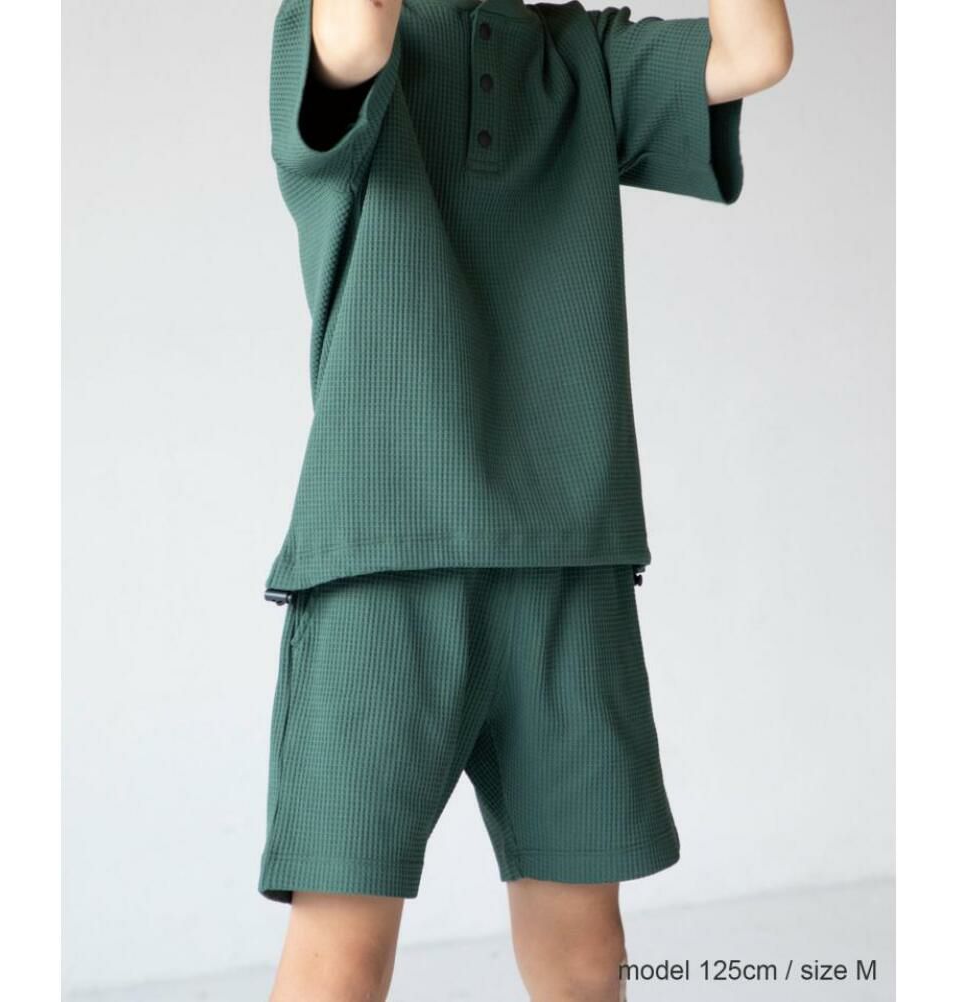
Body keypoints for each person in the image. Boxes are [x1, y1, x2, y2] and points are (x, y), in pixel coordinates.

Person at [257, 1, 792, 999]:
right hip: (383, 554)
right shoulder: (343, 31)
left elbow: (756, 52)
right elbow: (357, 39)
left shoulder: (583, 53)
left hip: (570, 555)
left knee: (587, 949)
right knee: (342, 949)